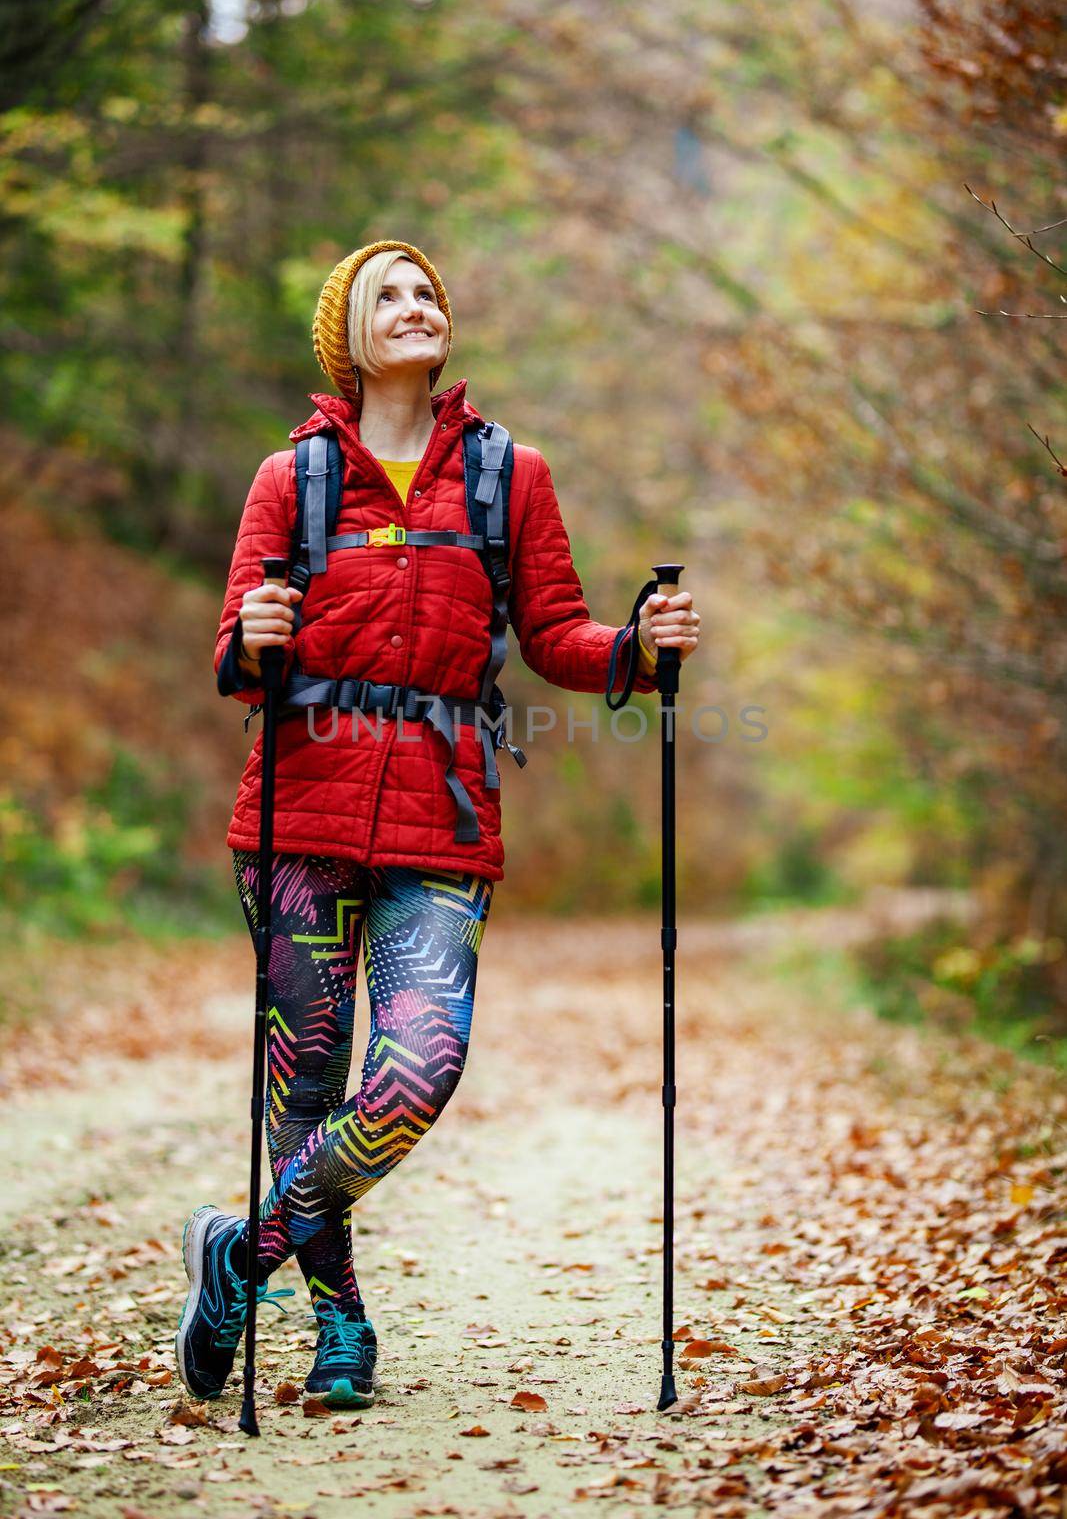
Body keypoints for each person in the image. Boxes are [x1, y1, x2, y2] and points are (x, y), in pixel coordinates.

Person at [175, 239, 702, 1409]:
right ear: (346, 335)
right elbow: (235, 656)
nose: (417, 307)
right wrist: (257, 632)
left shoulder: (510, 473)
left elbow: (556, 631)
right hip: (298, 812)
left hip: (441, 821)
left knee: (417, 1066)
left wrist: (632, 649)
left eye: (430, 294)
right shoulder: (291, 478)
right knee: (304, 1084)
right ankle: (339, 1327)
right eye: (390, 295)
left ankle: (239, 1252)